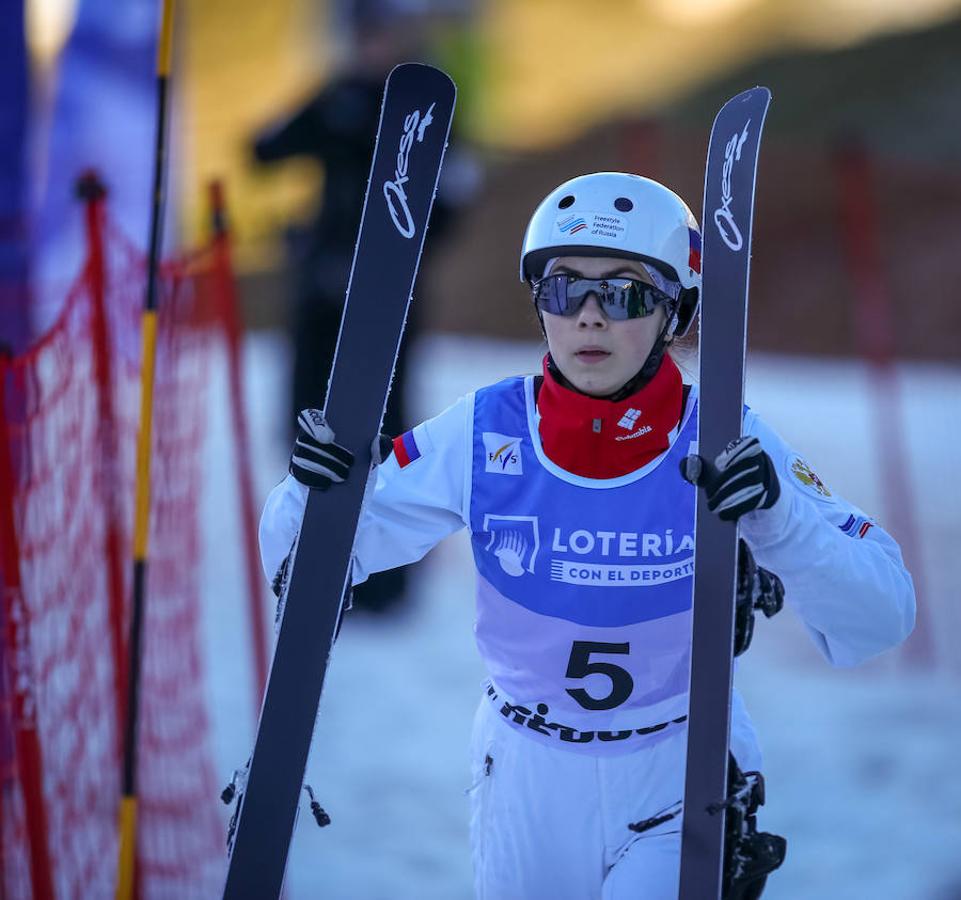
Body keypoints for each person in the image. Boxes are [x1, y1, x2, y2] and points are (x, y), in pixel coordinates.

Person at [259, 173, 916, 899]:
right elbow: (304, 574)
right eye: (563, 289)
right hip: (525, 772)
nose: (590, 317)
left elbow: (878, 620)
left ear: (676, 312)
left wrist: (780, 524)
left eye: (627, 293)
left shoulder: (726, 437)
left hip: (675, 769)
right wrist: (309, 495)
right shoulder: (484, 431)